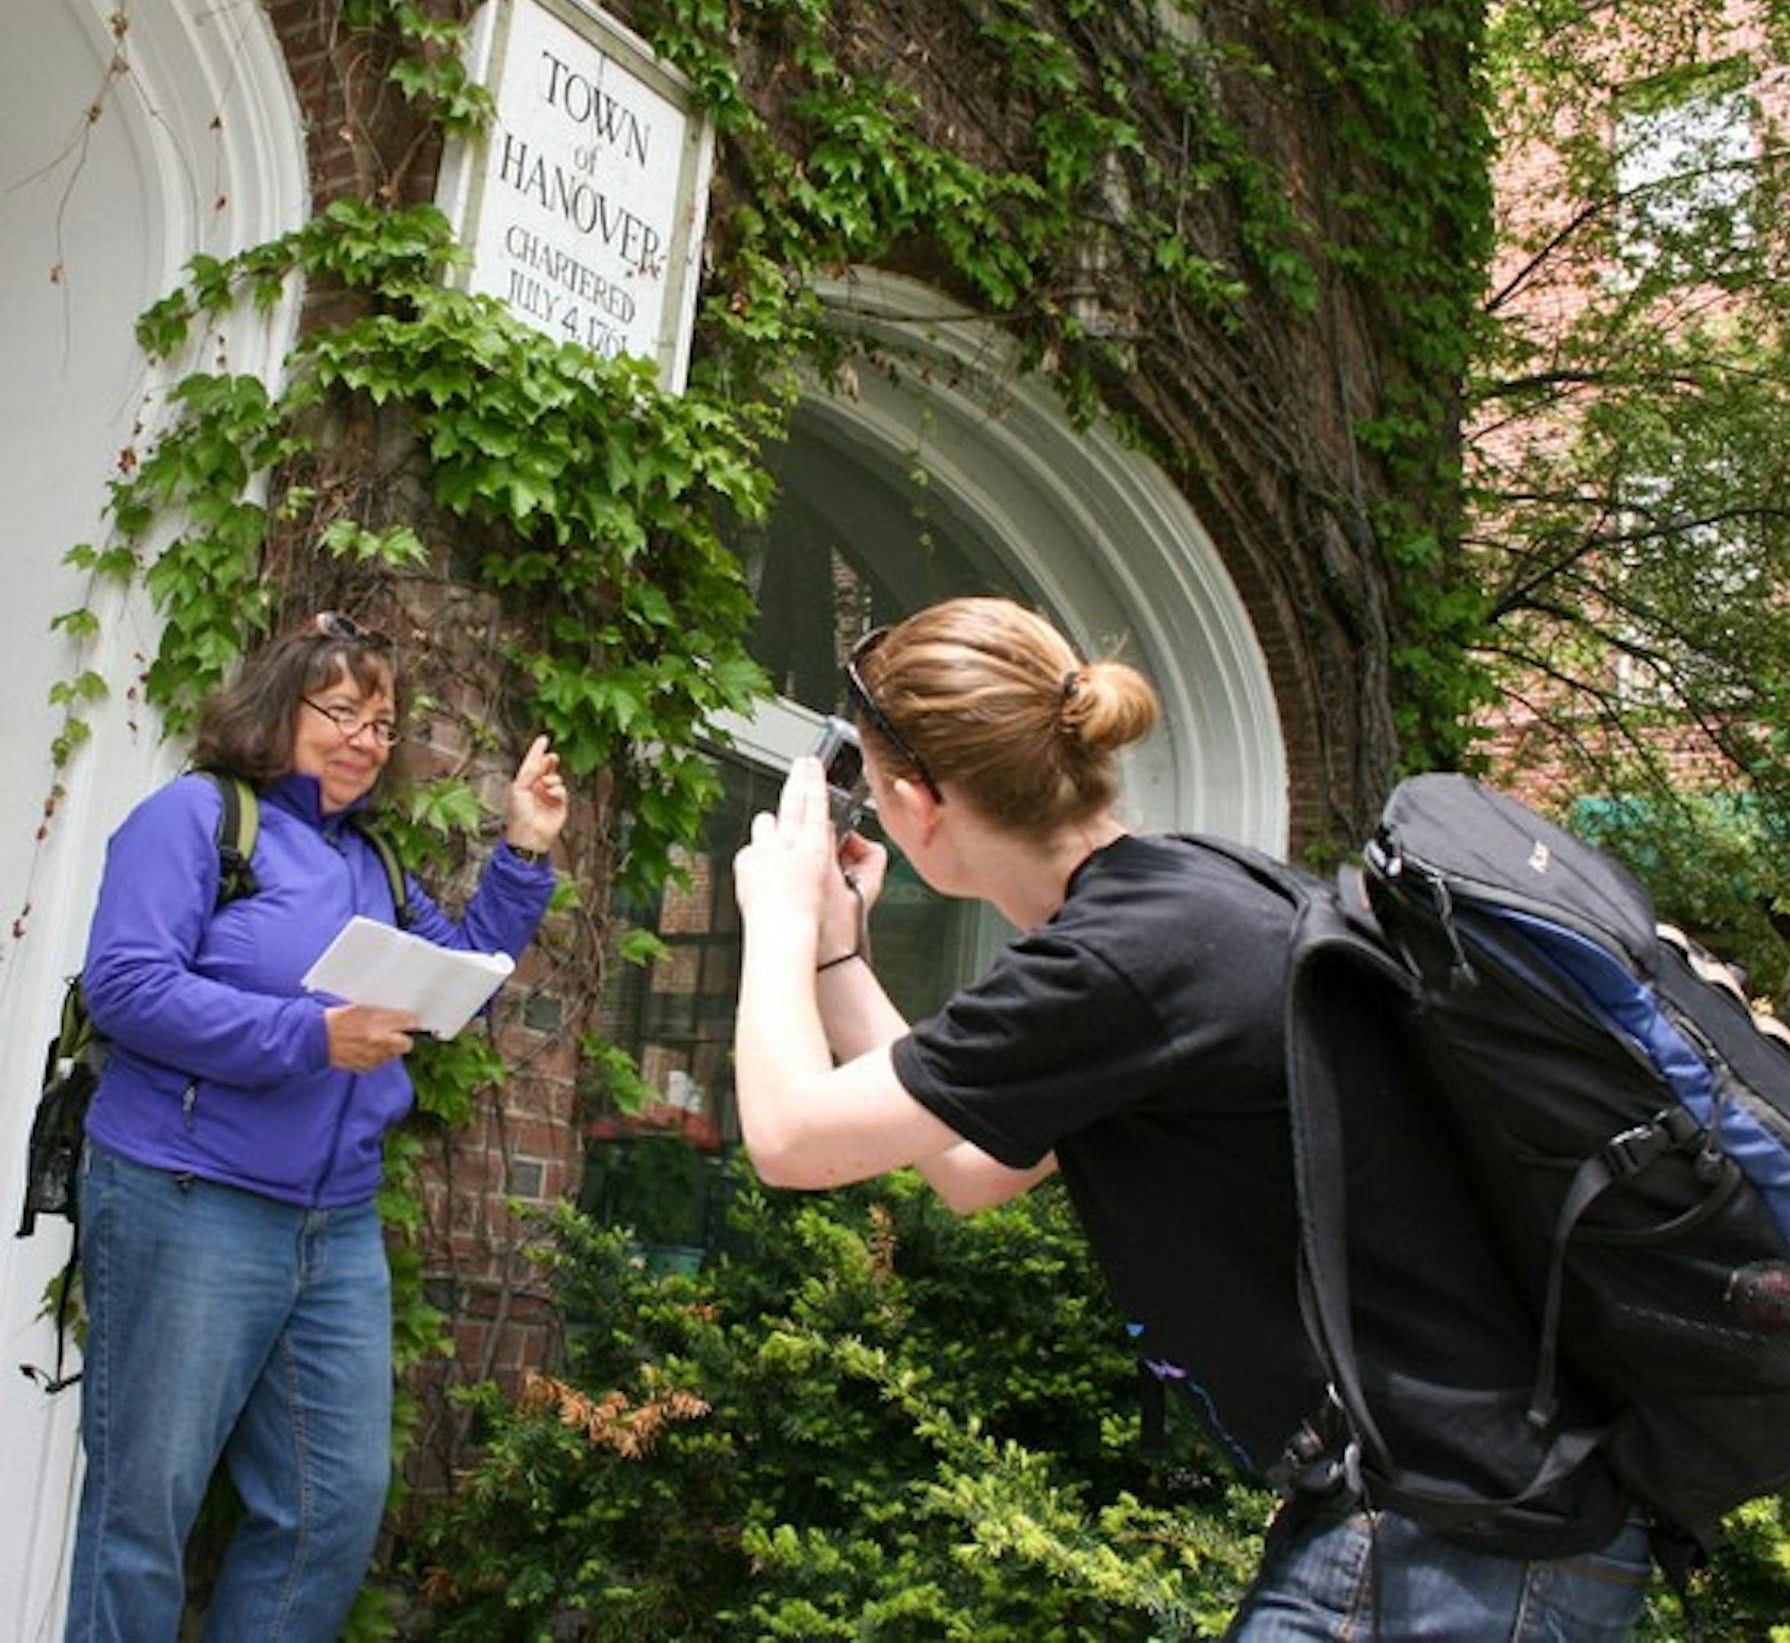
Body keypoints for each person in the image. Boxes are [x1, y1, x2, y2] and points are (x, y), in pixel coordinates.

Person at [731, 596, 1652, 1640]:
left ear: (914, 801)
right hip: (1463, 1517)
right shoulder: (1180, 899)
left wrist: (777, 911)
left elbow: (786, 1138)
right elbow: (972, 1165)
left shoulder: (1122, 956)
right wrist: (837, 957)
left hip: (1448, 1539)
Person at [65, 611, 569, 1643]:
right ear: (276, 708)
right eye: (340, 711)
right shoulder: (197, 818)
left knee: (329, 1513)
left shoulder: (370, 863)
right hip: (185, 1193)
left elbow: (459, 981)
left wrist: (522, 849)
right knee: (142, 1515)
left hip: (331, 1226)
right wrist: (309, 1036)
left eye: (381, 725)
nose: (363, 740)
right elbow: (124, 986)